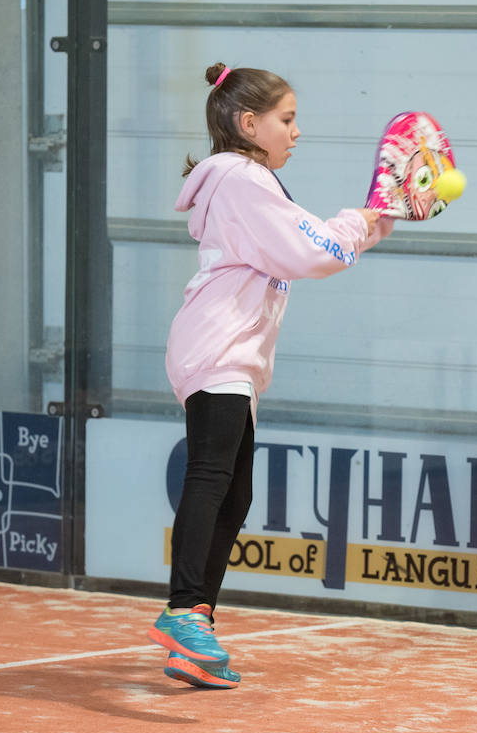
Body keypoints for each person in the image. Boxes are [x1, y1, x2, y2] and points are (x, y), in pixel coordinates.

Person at [148, 62, 394, 690]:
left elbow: (309, 242)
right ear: (248, 122)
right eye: (287, 120)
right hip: (219, 348)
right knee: (212, 476)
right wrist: (363, 221)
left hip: (228, 352)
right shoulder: (241, 177)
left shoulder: (243, 181)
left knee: (236, 492)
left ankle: (194, 626)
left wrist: (365, 227)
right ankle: (182, 612)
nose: (297, 131)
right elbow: (308, 249)